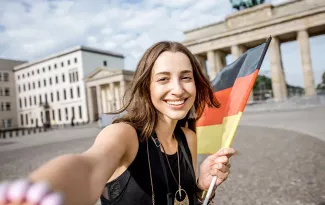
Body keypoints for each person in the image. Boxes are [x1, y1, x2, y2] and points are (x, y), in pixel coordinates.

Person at [0, 41, 235, 205]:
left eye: (186, 77)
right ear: (147, 87)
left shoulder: (188, 137)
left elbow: (186, 199)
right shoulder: (124, 134)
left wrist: (203, 186)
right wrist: (32, 196)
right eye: (163, 79)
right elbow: (88, 167)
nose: (178, 89)